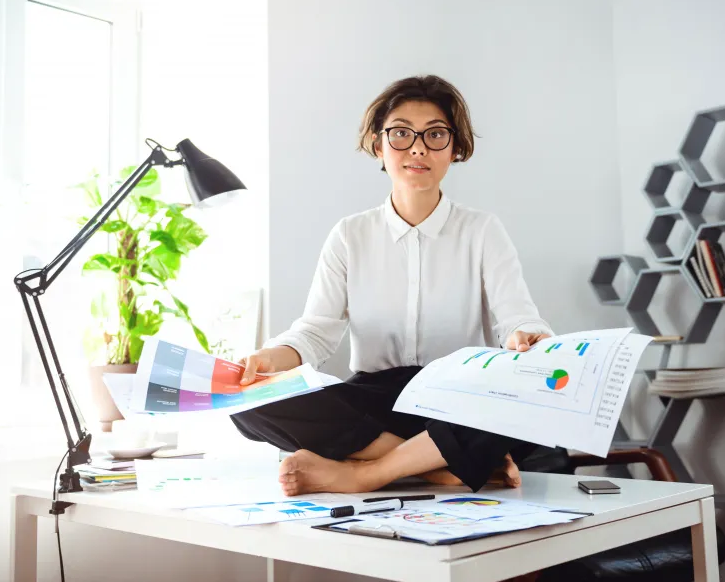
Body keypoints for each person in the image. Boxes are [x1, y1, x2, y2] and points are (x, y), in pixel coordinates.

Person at [232, 74, 553, 497]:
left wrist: (525, 338)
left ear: (455, 148)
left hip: (457, 398)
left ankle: (365, 473)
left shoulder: (482, 230)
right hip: (375, 403)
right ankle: (439, 467)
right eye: (401, 133)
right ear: (378, 143)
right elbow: (315, 331)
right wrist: (270, 358)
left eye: (435, 134)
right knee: (248, 401)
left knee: (524, 397)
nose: (417, 147)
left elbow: (518, 317)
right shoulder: (350, 234)